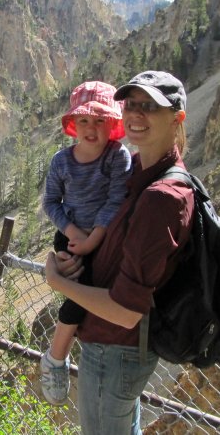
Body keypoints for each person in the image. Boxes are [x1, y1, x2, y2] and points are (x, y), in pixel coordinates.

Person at [44, 71, 194, 434]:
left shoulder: (161, 194)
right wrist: (67, 250)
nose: (137, 114)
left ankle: (55, 358)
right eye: (133, 104)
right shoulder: (140, 168)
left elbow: (126, 311)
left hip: (118, 345)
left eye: (151, 107)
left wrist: (56, 280)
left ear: (177, 118)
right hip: (111, 342)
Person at [40, 81, 132, 405]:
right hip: (71, 235)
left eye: (99, 120)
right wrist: (74, 233)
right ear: (72, 124)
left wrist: (94, 238)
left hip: (101, 238)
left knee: (86, 291)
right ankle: (57, 358)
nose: (91, 128)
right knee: (82, 292)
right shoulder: (61, 161)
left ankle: (56, 355)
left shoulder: (117, 157)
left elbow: (115, 199)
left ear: (111, 123)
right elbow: (51, 202)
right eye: (84, 120)